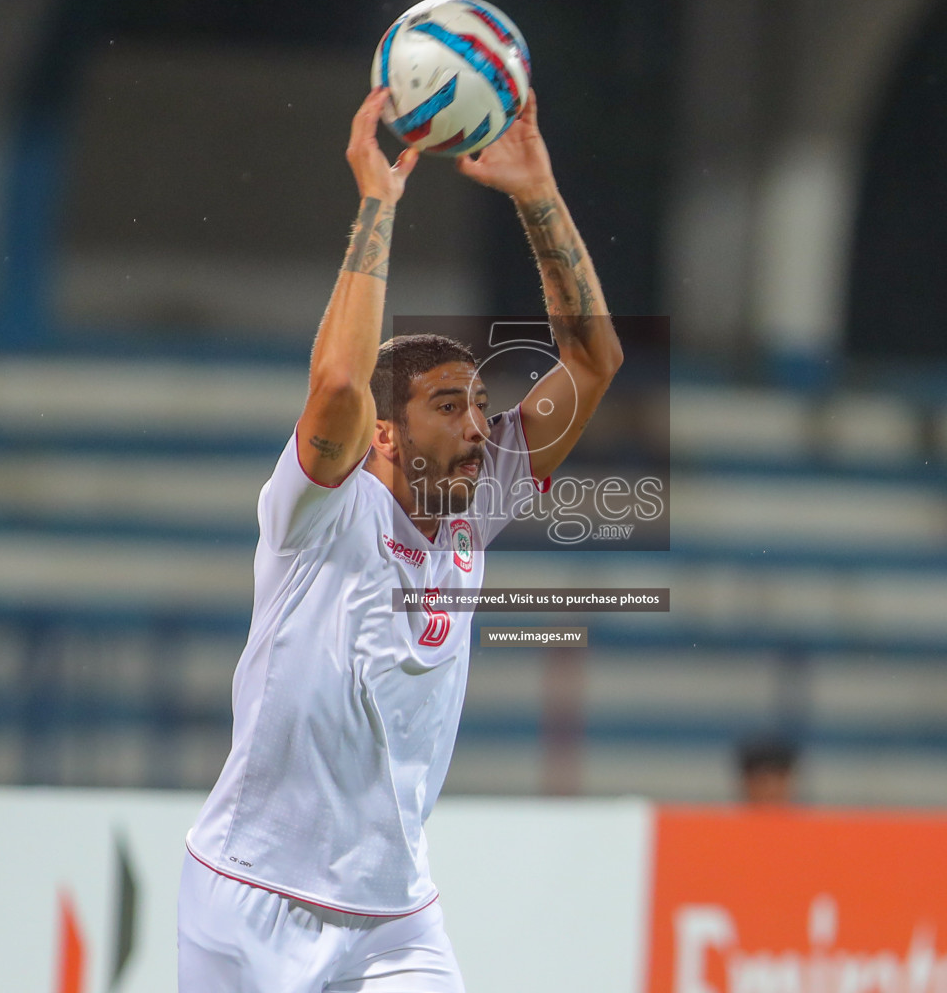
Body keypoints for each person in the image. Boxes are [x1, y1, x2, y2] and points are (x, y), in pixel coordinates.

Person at [177, 86, 623, 993]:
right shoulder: (319, 511)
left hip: (396, 925)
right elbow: (340, 380)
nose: (476, 426)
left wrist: (537, 193)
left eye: (481, 407)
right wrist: (377, 206)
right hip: (251, 901)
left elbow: (592, 360)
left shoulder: (476, 504)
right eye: (447, 406)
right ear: (385, 433)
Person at [735, 734, 799, 805]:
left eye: (778, 780)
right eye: (762, 781)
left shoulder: (806, 814)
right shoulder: (726, 815)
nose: (771, 791)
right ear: (747, 781)